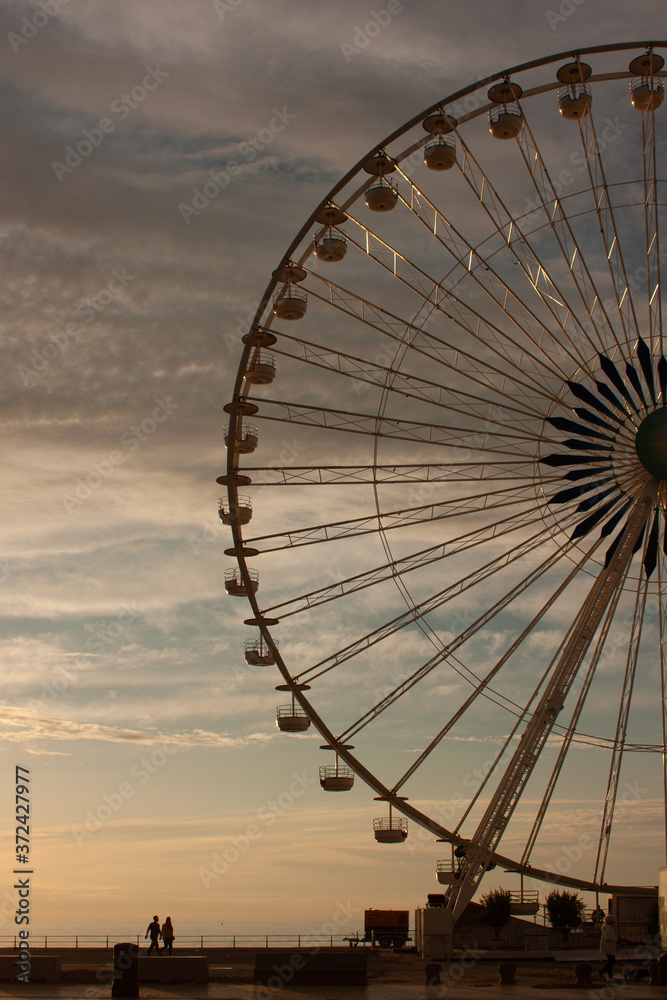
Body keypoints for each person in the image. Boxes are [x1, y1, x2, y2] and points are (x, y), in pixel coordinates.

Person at [599, 914, 618, 981]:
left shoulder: (608, 927)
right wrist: (616, 939)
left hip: (609, 947)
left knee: (611, 961)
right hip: (608, 947)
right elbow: (608, 938)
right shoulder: (607, 928)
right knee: (612, 961)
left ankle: (609, 976)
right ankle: (602, 973)